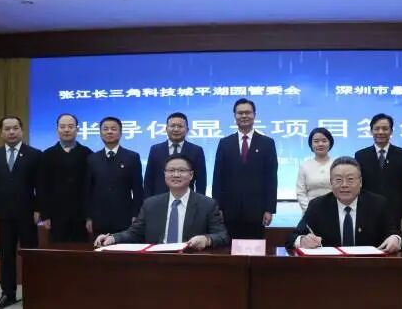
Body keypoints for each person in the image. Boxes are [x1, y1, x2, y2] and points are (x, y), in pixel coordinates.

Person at [95, 155, 229, 249]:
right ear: (164, 174)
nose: (176, 174)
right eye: (171, 170)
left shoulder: (207, 204)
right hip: (156, 263)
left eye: (181, 170)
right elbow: (134, 233)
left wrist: (207, 239)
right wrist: (113, 238)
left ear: (191, 175)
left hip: (190, 261)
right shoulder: (150, 204)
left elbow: (222, 236)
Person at [0, 116, 42, 309]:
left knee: (30, 255)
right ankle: (7, 293)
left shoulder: (34, 154)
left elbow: (41, 186)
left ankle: (33, 293)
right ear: (1, 132)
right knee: (6, 255)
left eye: (15, 128)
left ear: (21, 130)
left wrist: (39, 209)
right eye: (7, 129)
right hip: (4, 215)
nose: (11, 132)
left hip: (27, 214)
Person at [287, 156, 402, 253]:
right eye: (338, 180)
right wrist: (302, 240)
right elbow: (292, 238)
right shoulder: (318, 206)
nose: (344, 185)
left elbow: (395, 234)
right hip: (329, 268)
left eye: (350, 179)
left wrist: (395, 239)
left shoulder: (378, 204)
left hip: (369, 267)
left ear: (360, 182)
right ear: (331, 183)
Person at [212, 98, 278, 239]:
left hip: (257, 210)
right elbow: (217, 178)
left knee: (255, 248)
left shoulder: (267, 143)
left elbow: (271, 178)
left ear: (254, 115)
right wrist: (218, 208)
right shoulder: (225, 143)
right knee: (228, 249)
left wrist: (269, 209)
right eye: (240, 113)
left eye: (247, 112)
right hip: (229, 210)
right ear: (234, 116)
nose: (244, 116)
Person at [39, 113, 93, 243]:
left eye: (70, 126)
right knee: (58, 251)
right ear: (57, 129)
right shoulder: (47, 155)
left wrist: (90, 216)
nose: (66, 130)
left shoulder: (88, 154)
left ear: (77, 129)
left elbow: (92, 187)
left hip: (81, 215)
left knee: (81, 251)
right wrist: (45, 215)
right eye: (62, 127)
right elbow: (42, 186)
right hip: (56, 215)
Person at [85, 116, 143, 235]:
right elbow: (88, 190)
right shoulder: (92, 158)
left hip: (125, 217)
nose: (109, 132)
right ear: (100, 133)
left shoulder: (132, 157)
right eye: (105, 129)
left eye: (113, 129)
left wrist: (136, 214)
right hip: (99, 218)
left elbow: (138, 189)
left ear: (120, 133)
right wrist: (88, 217)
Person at [354, 113, 402, 231]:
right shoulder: (361, 155)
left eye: (385, 129)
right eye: (377, 129)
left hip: (395, 212)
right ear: (371, 131)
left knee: (394, 242)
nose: (380, 132)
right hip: (368, 211)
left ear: (391, 131)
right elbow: (358, 186)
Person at [143, 112, 207, 197]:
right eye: (172, 126)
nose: (176, 129)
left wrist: (200, 202)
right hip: (159, 200)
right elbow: (148, 179)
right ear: (166, 129)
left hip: (187, 200)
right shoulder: (155, 150)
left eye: (180, 126)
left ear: (187, 130)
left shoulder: (196, 150)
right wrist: (147, 201)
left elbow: (201, 181)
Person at [295, 127, 334, 212]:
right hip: (310, 211)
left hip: (334, 210)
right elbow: (300, 192)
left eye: (324, 141)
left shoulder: (337, 164)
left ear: (330, 143)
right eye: (316, 141)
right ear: (311, 144)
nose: (320, 144)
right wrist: (310, 211)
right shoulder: (305, 166)